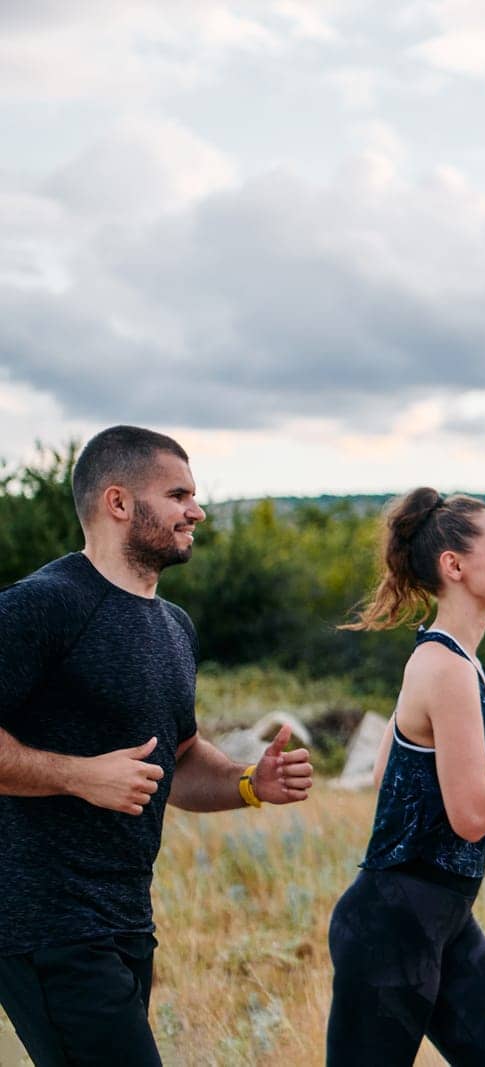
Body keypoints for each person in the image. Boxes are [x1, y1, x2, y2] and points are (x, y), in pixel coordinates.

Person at [0, 425, 314, 1067]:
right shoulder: (42, 606)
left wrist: (251, 783)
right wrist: (77, 775)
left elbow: (182, 758)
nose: (196, 511)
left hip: (125, 919)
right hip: (45, 921)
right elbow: (88, 772)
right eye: (179, 495)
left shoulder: (173, 626)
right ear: (119, 503)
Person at [326, 488, 485, 1066]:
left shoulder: (449, 659)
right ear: (454, 565)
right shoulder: (445, 667)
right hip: (392, 926)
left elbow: (388, 771)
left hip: (440, 918)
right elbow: (472, 816)